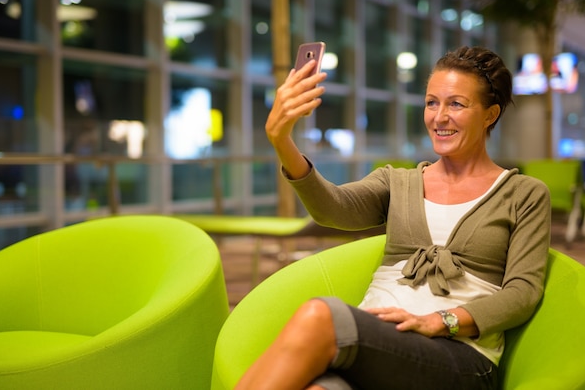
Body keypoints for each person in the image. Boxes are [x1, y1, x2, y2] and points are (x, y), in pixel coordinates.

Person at [235, 46, 551, 390]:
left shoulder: (524, 193)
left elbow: (523, 292)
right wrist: (281, 140)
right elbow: (330, 209)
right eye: (432, 102)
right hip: (373, 348)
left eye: (456, 104)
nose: (439, 117)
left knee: (321, 315)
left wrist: (438, 321)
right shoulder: (397, 182)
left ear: (490, 115)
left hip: (459, 358)